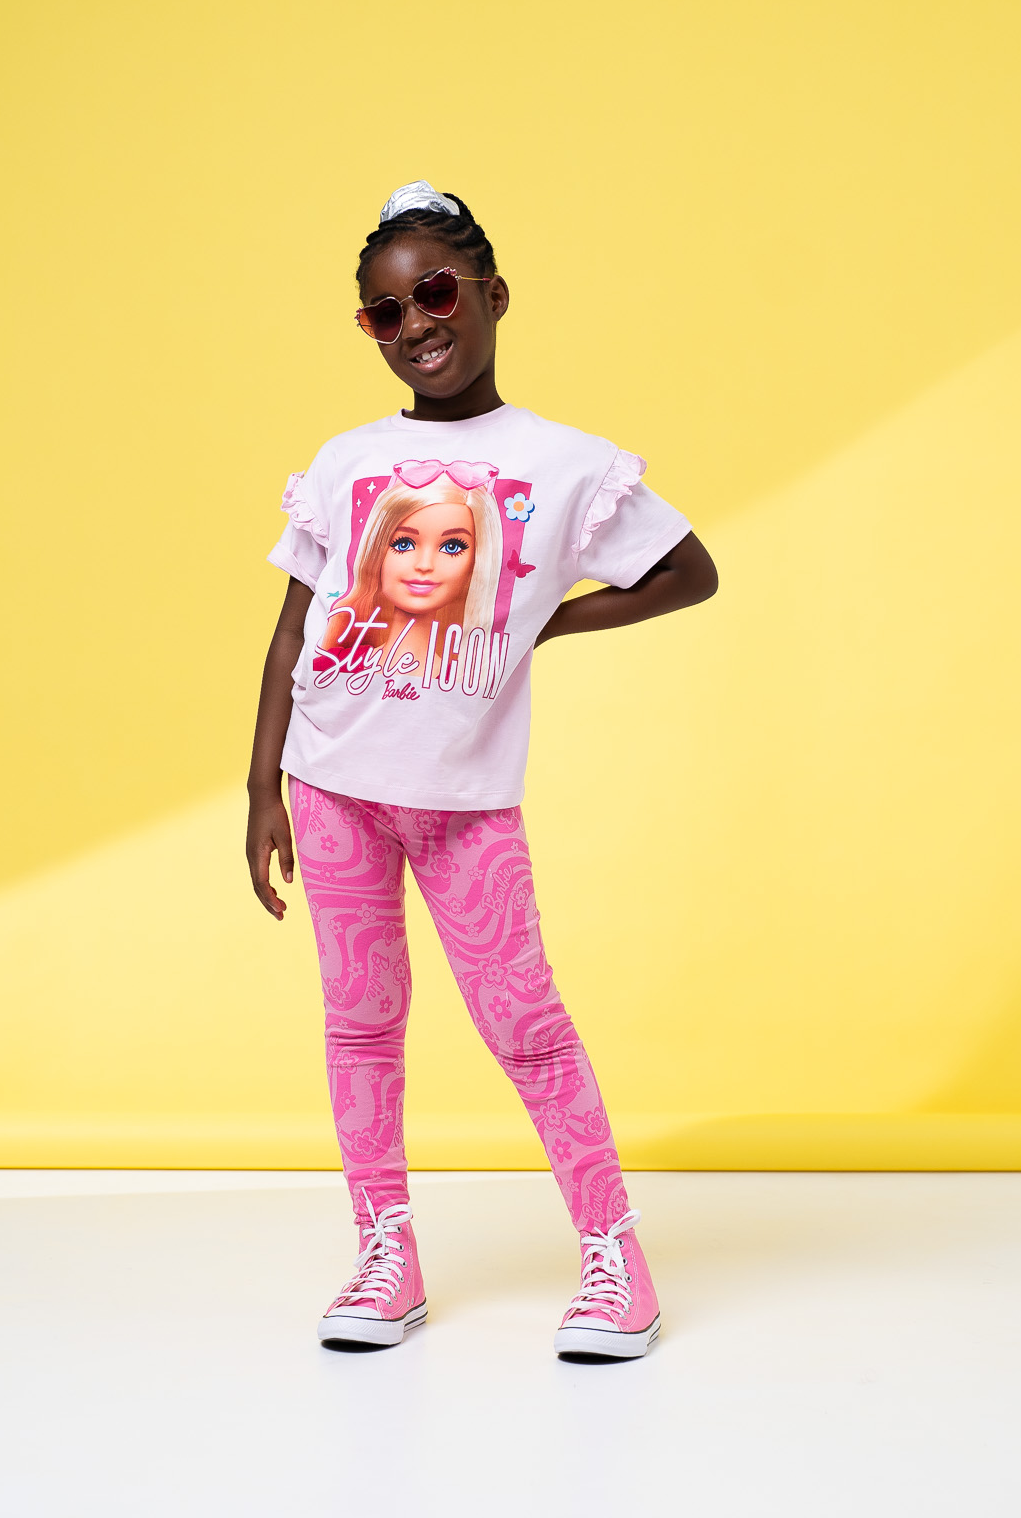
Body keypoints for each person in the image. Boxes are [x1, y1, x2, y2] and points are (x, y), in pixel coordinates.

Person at [246, 180, 719, 1361]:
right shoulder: (348, 458)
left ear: (493, 295)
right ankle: (382, 1253)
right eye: (384, 312)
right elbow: (293, 623)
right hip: (332, 782)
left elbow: (686, 571)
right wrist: (263, 783)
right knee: (360, 1023)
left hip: (460, 804)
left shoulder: (562, 463)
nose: (415, 324)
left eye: (435, 292)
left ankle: (615, 1260)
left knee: (525, 1024)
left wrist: (551, 621)